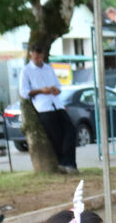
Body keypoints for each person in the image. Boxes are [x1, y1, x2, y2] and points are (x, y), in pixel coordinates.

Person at [20, 43, 77, 174]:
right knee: (55, 135)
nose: (38, 59)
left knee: (70, 130)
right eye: (35, 57)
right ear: (31, 55)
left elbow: (58, 85)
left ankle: (69, 162)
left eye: (39, 57)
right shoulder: (26, 71)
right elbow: (24, 92)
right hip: (43, 106)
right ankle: (63, 163)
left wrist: (55, 89)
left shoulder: (48, 68)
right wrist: (41, 91)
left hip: (57, 103)